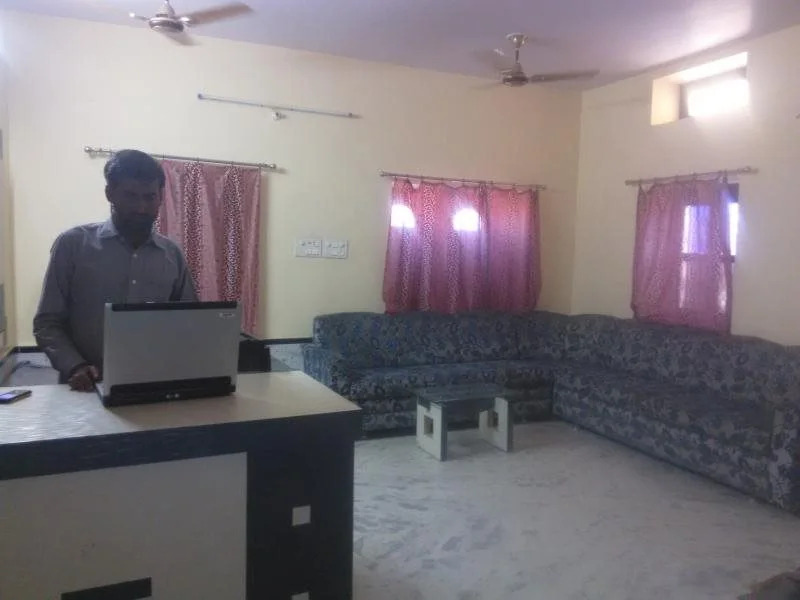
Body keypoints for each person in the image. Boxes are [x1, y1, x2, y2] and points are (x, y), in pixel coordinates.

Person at [34, 149, 197, 391]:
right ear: (110, 193)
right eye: (131, 196)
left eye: (149, 197)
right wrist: (74, 365)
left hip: (154, 387)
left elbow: (190, 321)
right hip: (86, 389)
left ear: (161, 197)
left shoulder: (172, 255)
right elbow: (47, 322)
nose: (141, 207)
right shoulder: (73, 245)